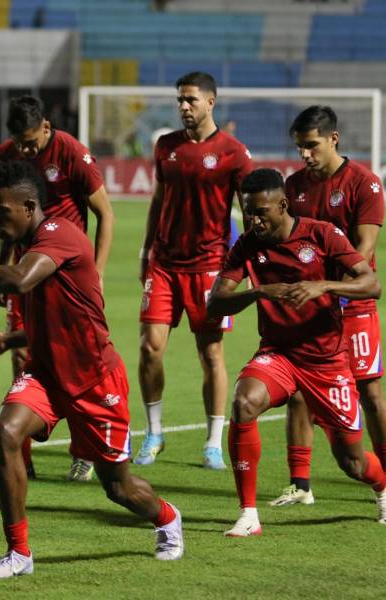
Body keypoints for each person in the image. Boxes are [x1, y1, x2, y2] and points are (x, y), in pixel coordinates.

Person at [0, 161, 183, 578]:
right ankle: (19, 553)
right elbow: (56, 322)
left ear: (29, 206)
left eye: (1, 211)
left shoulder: (60, 234)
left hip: (95, 380)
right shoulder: (31, 244)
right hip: (47, 373)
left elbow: (17, 282)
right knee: (7, 430)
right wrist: (8, 342)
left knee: (118, 488)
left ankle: (168, 518)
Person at [207, 168, 386, 536]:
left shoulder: (322, 234)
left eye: (261, 212)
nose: (254, 220)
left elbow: (372, 284)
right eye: (248, 212)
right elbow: (216, 303)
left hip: (326, 360)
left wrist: (323, 285)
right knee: (244, 402)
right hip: (279, 354)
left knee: (351, 462)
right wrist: (258, 293)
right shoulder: (248, 245)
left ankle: (383, 487)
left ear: (283, 205)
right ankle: (248, 514)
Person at [0, 95, 114, 483]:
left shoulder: (72, 152)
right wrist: (4, 263)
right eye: (17, 142)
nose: (23, 150)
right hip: (27, 269)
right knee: (19, 350)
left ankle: (84, 451)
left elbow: (105, 213)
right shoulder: (7, 152)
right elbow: (6, 213)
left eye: (30, 142)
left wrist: (98, 271)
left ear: (45, 127)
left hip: (67, 273)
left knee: (75, 359)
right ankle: (21, 458)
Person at [136, 71, 254, 470]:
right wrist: (145, 250)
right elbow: (158, 200)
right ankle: (153, 433)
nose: (184, 107)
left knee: (211, 354)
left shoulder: (234, 152)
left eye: (191, 100)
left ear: (210, 102)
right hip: (165, 264)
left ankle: (213, 443)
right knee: (150, 347)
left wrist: (248, 263)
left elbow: (252, 213)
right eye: (180, 100)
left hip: (208, 267)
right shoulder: (166, 147)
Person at [269, 105, 386, 507]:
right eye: (300, 147)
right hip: (311, 307)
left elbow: (363, 250)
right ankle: (300, 485)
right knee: (300, 390)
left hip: (351, 305)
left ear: (333, 139)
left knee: (370, 393)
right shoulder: (294, 186)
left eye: (312, 146)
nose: (304, 154)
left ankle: (385, 478)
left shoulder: (364, 184)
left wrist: (327, 285)